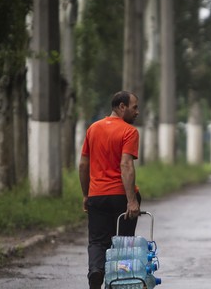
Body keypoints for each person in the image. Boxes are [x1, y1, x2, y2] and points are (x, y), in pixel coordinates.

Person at [79, 91, 141, 289]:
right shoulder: (129, 132)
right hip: (120, 196)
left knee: (97, 242)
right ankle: (119, 282)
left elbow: (83, 165)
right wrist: (132, 200)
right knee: (123, 244)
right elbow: (126, 166)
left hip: (97, 195)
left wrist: (86, 195)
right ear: (121, 107)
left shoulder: (93, 129)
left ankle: (96, 271)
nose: (137, 112)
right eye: (134, 107)